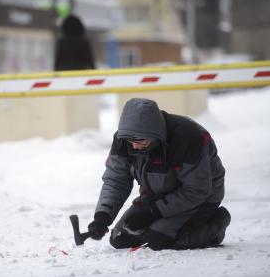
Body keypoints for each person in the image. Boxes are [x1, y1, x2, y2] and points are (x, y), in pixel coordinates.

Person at [87, 98, 231, 250]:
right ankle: (159, 222)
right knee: (120, 239)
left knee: (159, 240)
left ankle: (216, 222)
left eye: (140, 140)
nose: (134, 146)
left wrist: (152, 212)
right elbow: (116, 180)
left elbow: (197, 190)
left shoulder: (189, 138)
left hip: (201, 198)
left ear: (155, 133)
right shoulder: (124, 140)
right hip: (155, 197)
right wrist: (103, 216)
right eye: (130, 140)